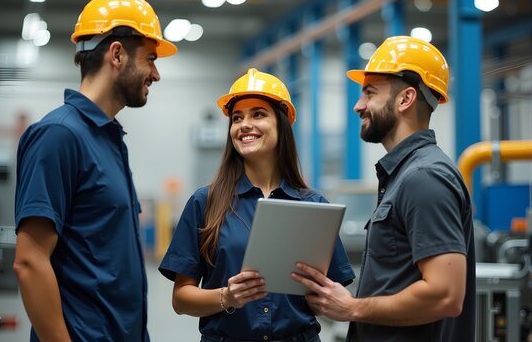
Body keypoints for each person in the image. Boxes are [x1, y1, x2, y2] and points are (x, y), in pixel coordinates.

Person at [13, 0, 177, 342]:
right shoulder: (59, 135)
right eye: (150, 59)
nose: (156, 74)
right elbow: (30, 263)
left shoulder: (108, 138)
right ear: (117, 54)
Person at [291, 35, 476, 342]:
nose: (358, 106)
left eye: (370, 93)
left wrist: (352, 308)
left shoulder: (424, 177)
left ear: (405, 99)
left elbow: (445, 295)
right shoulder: (405, 175)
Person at [158, 68, 356, 342]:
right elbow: (181, 299)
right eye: (237, 118)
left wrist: (325, 297)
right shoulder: (205, 203)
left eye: (258, 114)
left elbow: (327, 296)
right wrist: (227, 297)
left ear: (282, 124)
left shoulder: (314, 207)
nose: (244, 125)